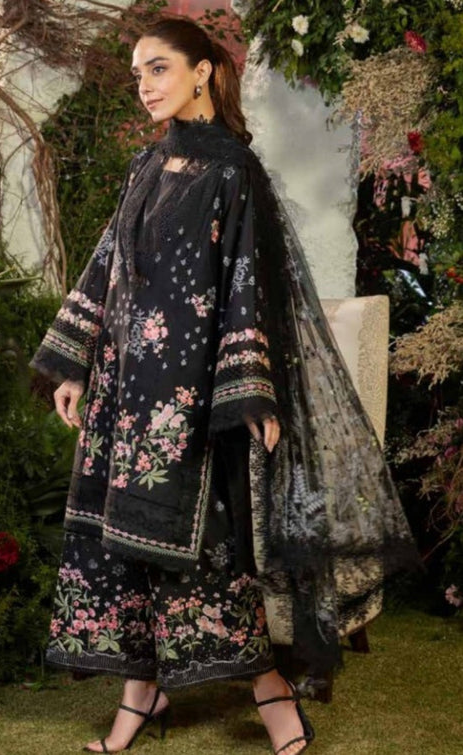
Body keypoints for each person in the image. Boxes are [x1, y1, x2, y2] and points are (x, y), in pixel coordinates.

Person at [31, 16, 417, 755]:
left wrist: (251, 392)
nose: (145, 86)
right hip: (123, 394)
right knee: (125, 549)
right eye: (138, 73)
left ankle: (270, 693)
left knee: (208, 551)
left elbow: (249, 286)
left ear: (203, 71)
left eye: (159, 69)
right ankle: (140, 694)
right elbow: (106, 266)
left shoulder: (234, 173)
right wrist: (74, 363)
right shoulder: (145, 167)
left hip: (189, 398)